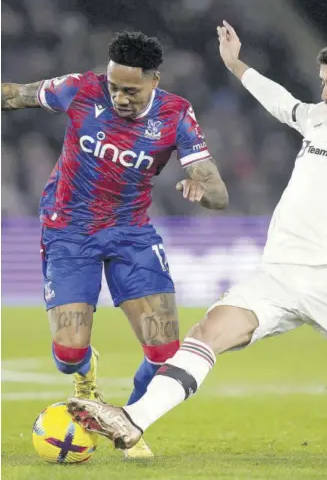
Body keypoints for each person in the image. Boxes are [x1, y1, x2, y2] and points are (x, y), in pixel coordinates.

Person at [65, 0, 327, 449]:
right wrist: (237, 66)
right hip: (276, 275)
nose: (326, 93)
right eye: (323, 83)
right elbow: (280, 102)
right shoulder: (317, 119)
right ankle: (132, 419)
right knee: (206, 334)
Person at [1, 31, 228, 458]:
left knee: (166, 353)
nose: (120, 97)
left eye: (131, 90)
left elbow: (218, 192)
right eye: (114, 87)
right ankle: (85, 376)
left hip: (131, 234)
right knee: (68, 352)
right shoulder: (81, 89)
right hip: (69, 230)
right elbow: (15, 95)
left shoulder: (177, 115)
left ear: (154, 81)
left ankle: (129, 421)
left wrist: (202, 188)